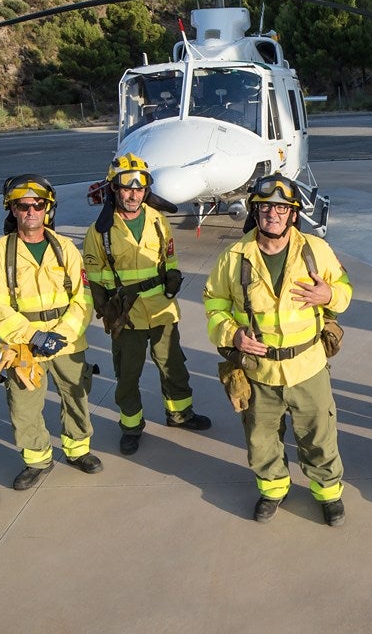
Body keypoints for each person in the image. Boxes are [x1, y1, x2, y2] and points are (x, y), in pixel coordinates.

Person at [203, 173, 354, 525]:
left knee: (319, 435)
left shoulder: (316, 251)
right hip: (259, 371)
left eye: (282, 208)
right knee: (261, 437)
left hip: (308, 366)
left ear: (293, 214)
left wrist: (329, 295)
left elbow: (345, 289)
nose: (273, 213)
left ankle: (327, 493)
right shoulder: (234, 257)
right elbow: (213, 303)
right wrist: (233, 335)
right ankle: (273, 490)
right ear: (255, 212)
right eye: (266, 207)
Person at [83, 155, 210, 457]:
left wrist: (173, 275)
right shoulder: (99, 231)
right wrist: (105, 309)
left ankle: (180, 414)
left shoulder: (157, 219)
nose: (133, 194)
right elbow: (93, 276)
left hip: (162, 308)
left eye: (140, 188)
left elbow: (169, 257)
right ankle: (131, 427)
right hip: (126, 315)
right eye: (126, 188)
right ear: (114, 189)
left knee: (174, 366)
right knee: (128, 375)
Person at [0, 174, 101, 490]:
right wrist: (34, 337)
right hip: (23, 345)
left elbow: (83, 296)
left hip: (67, 339)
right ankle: (37, 460)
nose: (31, 212)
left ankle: (78, 450)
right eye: (23, 206)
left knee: (76, 396)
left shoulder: (65, 248)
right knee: (23, 405)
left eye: (39, 205)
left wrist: (63, 332)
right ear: (12, 210)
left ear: (48, 209)